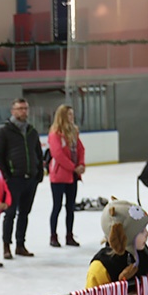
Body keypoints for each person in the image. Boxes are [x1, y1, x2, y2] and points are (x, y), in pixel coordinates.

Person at [0, 98, 44, 259]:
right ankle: (6, 246)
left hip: (30, 179)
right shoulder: (3, 131)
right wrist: (6, 177)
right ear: (12, 111)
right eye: (20, 108)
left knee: (24, 213)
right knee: (10, 214)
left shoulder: (31, 131)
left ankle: (20, 244)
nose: (23, 111)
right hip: (13, 179)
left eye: (25, 108)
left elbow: (38, 153)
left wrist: (39, 173)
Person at [47, 104, 86, 248]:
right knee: (57, 206)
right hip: (59, 176)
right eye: (69, 114)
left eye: (72, 114)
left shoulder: (74, 132)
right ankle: (53, 236)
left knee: (70, 207)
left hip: (72, 176)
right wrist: (74, 167)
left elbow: (81, 149)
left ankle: (69, 235)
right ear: (63, 116)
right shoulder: (55, 133)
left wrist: (81, 164)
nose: (72, 117)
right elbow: (58, 154)